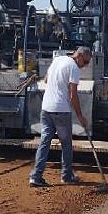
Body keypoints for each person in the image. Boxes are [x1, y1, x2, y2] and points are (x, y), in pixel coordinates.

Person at [29, 47, 92, 187]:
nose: (85, 65)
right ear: (79, 56)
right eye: (86, 62)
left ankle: (36, 176)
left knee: (44, 141)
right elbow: (73, 94)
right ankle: (66, 176)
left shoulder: (57, 60)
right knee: (66, 143)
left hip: (46, 108)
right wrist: (80, 116)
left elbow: (46, 80)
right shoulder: (73, 68)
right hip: (61, 110)